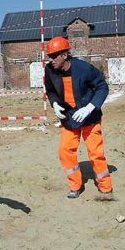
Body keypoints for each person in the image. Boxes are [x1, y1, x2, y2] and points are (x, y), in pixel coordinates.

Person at [43, 36, 114, 200]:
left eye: (54, 56)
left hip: (90, 118)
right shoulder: (50, 70)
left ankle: (105, 187)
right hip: (69, 117)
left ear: (64, 55)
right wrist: (54, 104)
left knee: (95, 153)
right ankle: (75, 186)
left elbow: (102, 87)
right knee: (65, 151)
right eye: (50, 56)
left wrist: (90, 107)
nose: (51, 60)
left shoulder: (84, 69)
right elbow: (51, 90)